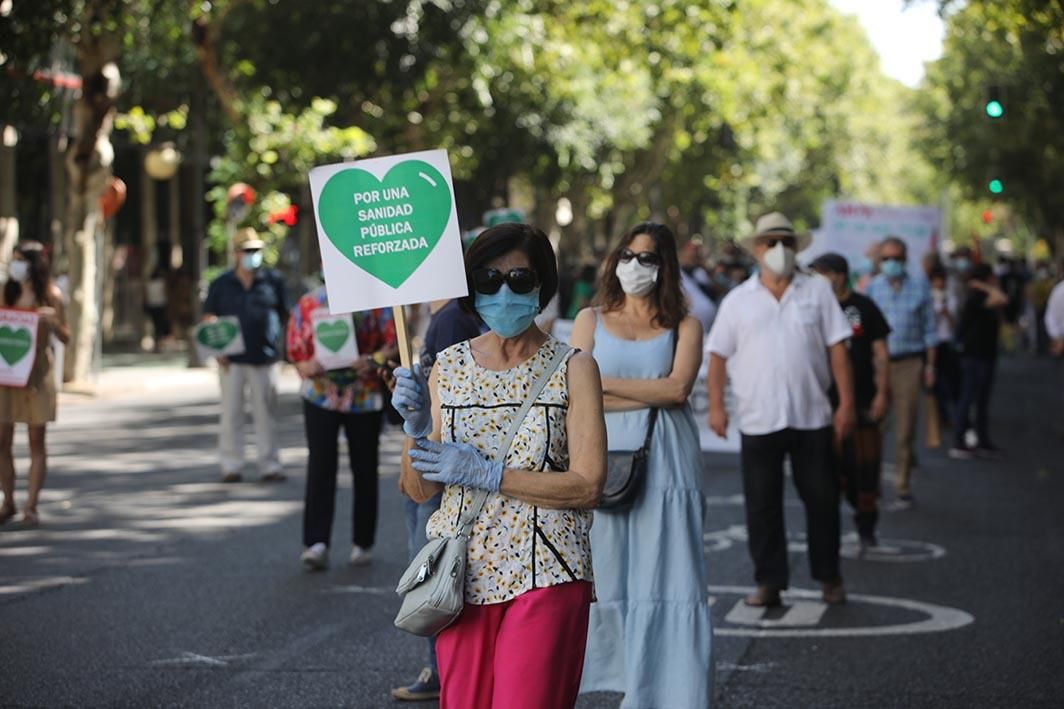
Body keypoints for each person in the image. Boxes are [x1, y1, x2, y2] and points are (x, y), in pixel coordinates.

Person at [393, 223, 607, 709]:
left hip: (548, 569)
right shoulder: (447, 366)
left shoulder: (575, 367)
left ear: (541, 285)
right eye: (489, 279)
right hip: (461, 574)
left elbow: (589, 485)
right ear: (472, 289)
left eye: (519, 277)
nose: (504, 290)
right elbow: (419, 489)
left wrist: (489, 474)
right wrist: (415, 428)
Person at [572, 222, 714, 708]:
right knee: (607, 572)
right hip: (600, 457)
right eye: (627, 255)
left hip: (668, 462)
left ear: (667, 266)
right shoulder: (589, 319)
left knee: (671, 575)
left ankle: (669, 695)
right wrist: (642, 392)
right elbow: (574, 395)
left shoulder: (686, 325)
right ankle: (613, 679)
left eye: (648, 258)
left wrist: (603, 385)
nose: (635, 266)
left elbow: (677, 389)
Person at [707, 212, 855, 607]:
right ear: (755, 249)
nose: (778, 250)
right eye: (769, 242)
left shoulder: (818, 292)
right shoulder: (737, 300)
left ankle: (829, 577)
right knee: (762, 504)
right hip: (758, 417)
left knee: (823, 500)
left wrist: (846, 406)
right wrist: (717, 407)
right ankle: (769, 581)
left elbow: (838, 349)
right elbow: (718, 356)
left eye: (785, 242)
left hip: (813, 415)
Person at [391, 296, 483, 703]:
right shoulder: (445, 316)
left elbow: (446, 398)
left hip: (439, 461)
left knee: (433, 572)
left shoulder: (448, 320)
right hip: (430, 457)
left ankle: (442, 669)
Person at [285, 284, 397, 569]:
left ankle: (363, 542)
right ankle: (316, 543)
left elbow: (395, 342)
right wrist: (306, 365)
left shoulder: (377, 301)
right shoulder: (309, 303)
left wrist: (373, 360)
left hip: (364, 394)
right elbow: (296, 351)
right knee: (321, 464)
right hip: (320, 395)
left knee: (365, 467)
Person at [811, 253, 891, 550]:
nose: (819, 281)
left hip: (862, 403)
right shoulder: (811, 308)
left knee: (865, 471)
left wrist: (882, 394)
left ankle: (866, 525)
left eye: (824, 274)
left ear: (840, 275)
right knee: (827, 474)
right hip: (821, 406)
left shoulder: (864, 307)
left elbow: (881, 354)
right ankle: (827, 533)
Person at [202, 228, 288, 483]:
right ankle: (231, 465)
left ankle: (270, 465)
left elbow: (286, 315)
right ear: (237, 253)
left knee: (266, 414)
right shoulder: (221, 284)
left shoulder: (273, 281)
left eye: (256, 251)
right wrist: (218, 349)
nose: (253, 255)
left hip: (265, 357)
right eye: (248, 251)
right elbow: (209, 317)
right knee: (231, 414)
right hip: (232, 361)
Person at [0, 241, 70, 527]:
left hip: (37, 375)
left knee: (36, 441)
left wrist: (53, 321)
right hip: (6, 374)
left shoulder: (52, 295)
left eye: (20, 260)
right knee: (2, 441)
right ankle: (8, 501)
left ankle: (31, 505)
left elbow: (67, 337)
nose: (14, 265)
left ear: (33, 264)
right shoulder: (7, 291)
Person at [866, 235, 936, 509]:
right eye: (886, 259)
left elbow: (930, 330)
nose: (891, 263)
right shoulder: (873, 287)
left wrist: (930, 366)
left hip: (909, 363)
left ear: (905, 259)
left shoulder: (920, 286)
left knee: (906, 428)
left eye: (896, 258)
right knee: (876, 424)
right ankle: (872, 484)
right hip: (879, 365)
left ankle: (902, 484)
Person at [949, 264, 1008, 459]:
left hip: (985, 354)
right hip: (974, 355)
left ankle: (982, 440)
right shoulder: (975, 297)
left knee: (982, 400)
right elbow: (1002, 298)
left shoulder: (979, 295)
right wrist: (985, 287)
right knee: (968, 398)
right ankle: (959, 440)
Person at [929, 265, 960, 440]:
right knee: (937, 382)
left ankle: (953, 413)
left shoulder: (950, 297)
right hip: (934, 343)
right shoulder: (928, 297)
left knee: (951, 380)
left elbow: (955, 320)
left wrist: (946, 312)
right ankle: (941, 415)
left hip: (948, 342)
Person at [679, 239, 717, 332]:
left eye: (696, 250)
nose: (693, 253)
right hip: (691, 320)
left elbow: (714, 289)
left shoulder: (701, 271)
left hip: (708, 321)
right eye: (691, 249)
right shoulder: (678, 272)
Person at [144, 264, 170, 352]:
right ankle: (158, 344)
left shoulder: (149, 284)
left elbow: (146, 296)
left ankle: (157, 344)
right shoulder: (161, 283)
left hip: (152, 306)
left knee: (155, 325)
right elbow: (165, 293)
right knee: (160, 325)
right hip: (160, 305)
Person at [1046, 266, 1064, 357]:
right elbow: (1051, 316)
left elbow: (1050, 316)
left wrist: (1057, 338)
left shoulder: (1059, 289)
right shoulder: (1059, 290)